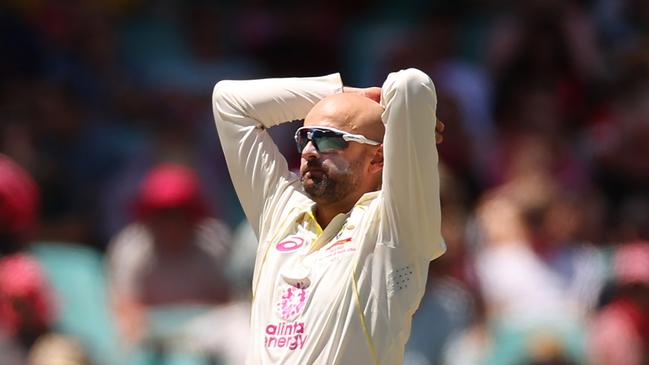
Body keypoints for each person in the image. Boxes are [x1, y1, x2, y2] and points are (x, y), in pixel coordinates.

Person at [211, 68, 445, 364]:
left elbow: (410, 86)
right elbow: (229, 102)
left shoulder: (394, 230)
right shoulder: (281, 214)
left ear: (378, 158)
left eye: (329, 139)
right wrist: (348, 94)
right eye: (305, 137)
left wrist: (395, 113)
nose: (309, 151)